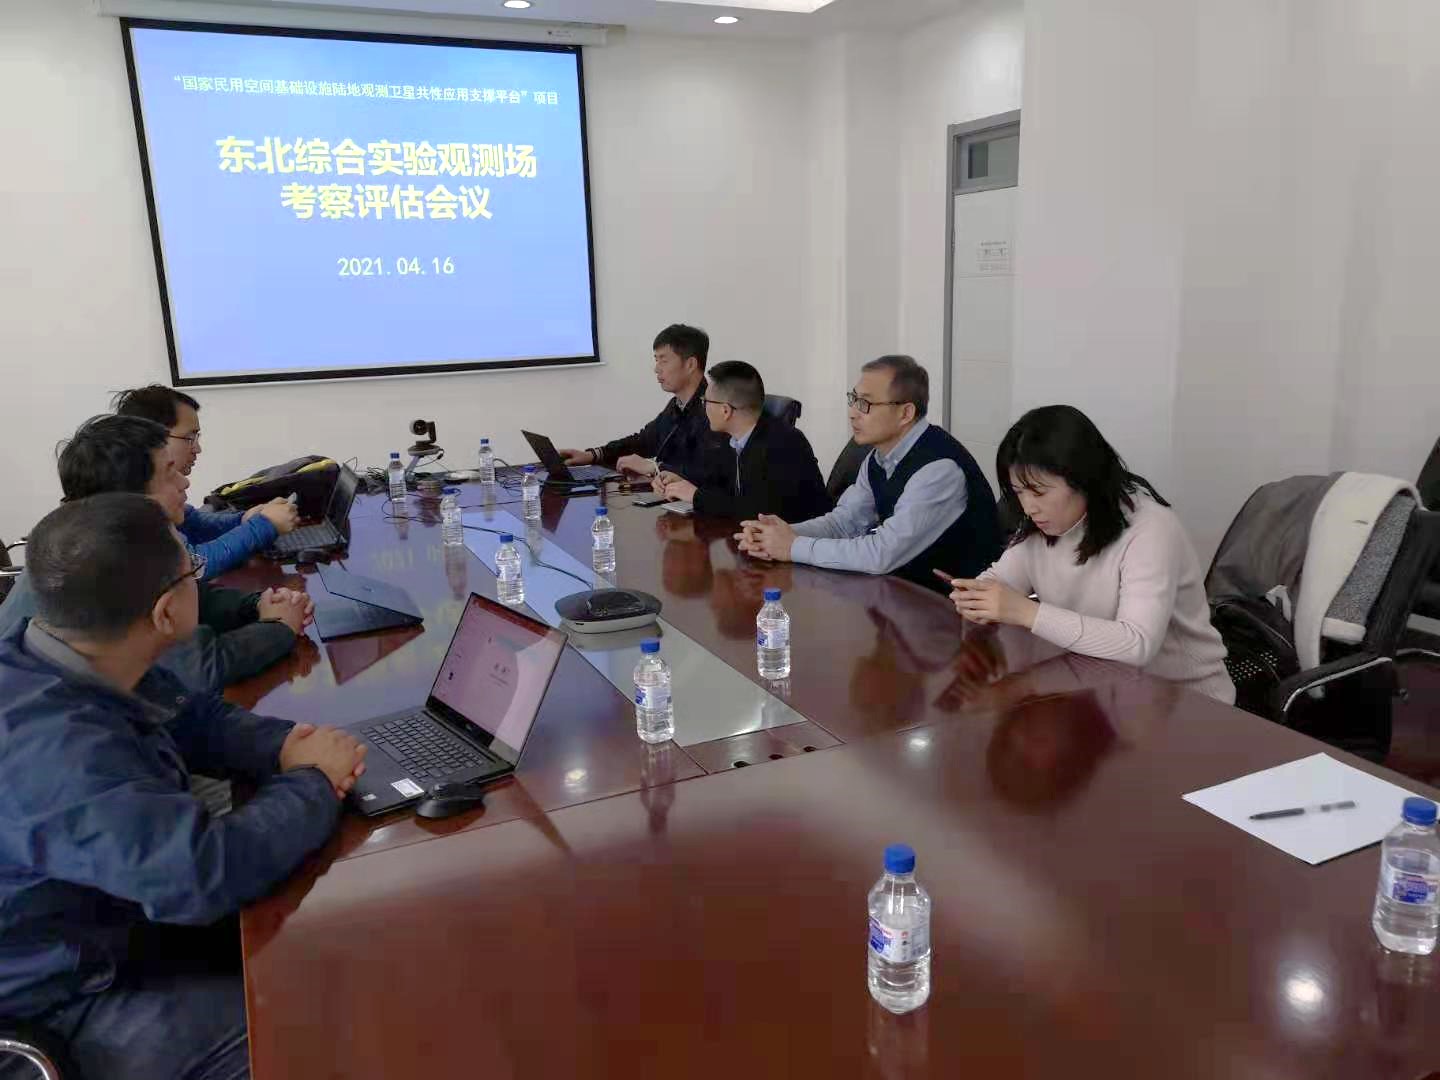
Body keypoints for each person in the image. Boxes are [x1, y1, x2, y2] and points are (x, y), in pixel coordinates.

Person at [0, 493, 366, 1080]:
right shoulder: (52, 751)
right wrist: (314, 782)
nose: (201, 576)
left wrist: (283, 745)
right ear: (166, 612)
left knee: (331, 937)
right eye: (193, 569)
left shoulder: (62, 654)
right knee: (305, 1030)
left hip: (108, 919)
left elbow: (190, 716)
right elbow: (201, 873)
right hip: (57, 1001)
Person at [947, 405, 1234, 703]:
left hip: (1186, 702)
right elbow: (1002, 580)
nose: (1028, 507)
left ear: (1082, 479)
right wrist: (977, 596)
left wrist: (1024, 611)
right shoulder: (1041, 525)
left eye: (1039, 492)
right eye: (1019, 492)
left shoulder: (1151, 529)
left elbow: (1137, 644)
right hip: (1099, 692)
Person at [0, 416, 309, 692]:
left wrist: (254, 605)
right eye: (169, 473)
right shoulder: (101, 559)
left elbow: (184, 597)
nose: (185, 482)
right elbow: (200, 670)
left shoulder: (112, 535)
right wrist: (279, 628)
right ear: (130, 497)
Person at [736, 355, 1002, 594]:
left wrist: (792, 546)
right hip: (902, 594)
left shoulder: (939, 470)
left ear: (905, 413)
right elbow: (845, 523)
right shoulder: (878, 458)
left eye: (865, 404)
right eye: (853, 399)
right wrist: (775, 535)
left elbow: (881, 554)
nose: (853, 413)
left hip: (955, 611)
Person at [113, 384, 299, 578]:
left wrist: (243, 520)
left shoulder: (153, 487)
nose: (198, 449)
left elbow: (196, 525)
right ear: (151, 439)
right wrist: (265, 524)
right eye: (189, 438)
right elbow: (195, 565)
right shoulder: (132, 506)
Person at [653, 360, 831, 521]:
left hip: (802, 541)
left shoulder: (784, 443)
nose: (703, 408)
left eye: (705, 401)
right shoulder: (734, 439)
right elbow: (717, 479)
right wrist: (680, 481)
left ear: (725, 411)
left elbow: (759, 511)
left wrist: (695, 496)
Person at [559, 324, 722, 480]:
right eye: (656, 360)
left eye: (663, 361)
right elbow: (642, 441)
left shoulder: (714, 410)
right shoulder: (677, 405)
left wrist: (655, 468)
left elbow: (709, 471)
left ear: (690, 364)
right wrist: (592, 455)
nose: (656, 369)